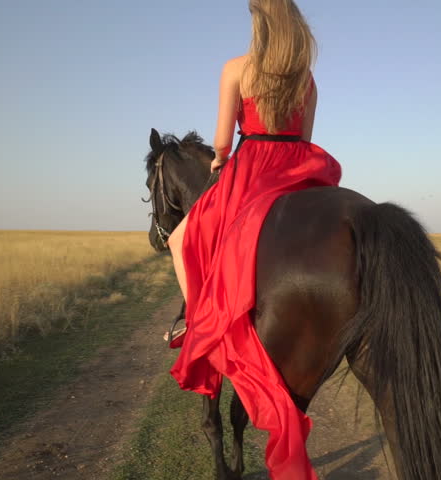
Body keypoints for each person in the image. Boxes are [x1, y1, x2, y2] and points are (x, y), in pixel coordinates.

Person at [167, 0, 341, 477]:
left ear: (257, 22)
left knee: (181, 239)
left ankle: (197, 320)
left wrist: (221, 161)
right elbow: (304, 137)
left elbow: (222, 141)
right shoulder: (307, 79)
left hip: (253, 168)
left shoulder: (237, 68)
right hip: (298, 168)